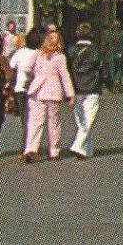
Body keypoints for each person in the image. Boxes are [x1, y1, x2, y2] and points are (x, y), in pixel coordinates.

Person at [22, 27, 74, 162]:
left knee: (35, 121)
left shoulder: (38, 54)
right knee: (53, 122)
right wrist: (70, 94)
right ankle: (54, 151)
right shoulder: (60, 57)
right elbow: (65, 76)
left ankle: (31, 149)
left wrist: (33, 75)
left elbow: (27, 68)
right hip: (53, 91)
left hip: (37, 90)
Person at [66, 23, 104, 159]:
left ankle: (86, 150)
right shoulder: (95, 50)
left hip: (76, 87)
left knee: (81, 119)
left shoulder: (71, 50)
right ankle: (78, 146)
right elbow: (101, 68)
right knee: (89, 118)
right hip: (93, 86)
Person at [8, 28, 39, 125]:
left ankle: (27, 137)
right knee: (35, 119)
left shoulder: (19, 53)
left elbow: (11, 67)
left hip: (20, 88)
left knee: (24, 118)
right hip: (37, 90)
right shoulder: (40, 54)